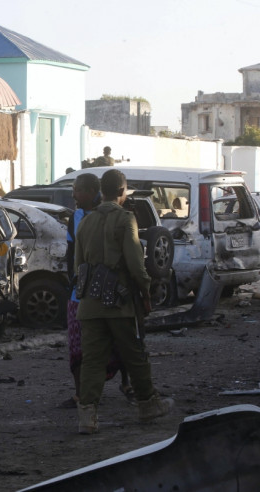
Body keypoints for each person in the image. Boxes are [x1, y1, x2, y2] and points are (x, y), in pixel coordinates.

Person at [74, 169, 173, 434]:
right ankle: (147, 404)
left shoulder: (85, 222)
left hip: (90, 304)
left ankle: (87, 416)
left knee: (92, 361)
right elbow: (136, 265)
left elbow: (78, 266)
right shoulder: (126, 219)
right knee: (135, 354)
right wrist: (146, 292)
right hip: (119, 304)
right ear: (121, 191)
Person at [60, 173, 134, 410]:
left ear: (94, 191)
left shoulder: (118, 217)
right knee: (81, 348)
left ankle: (126, 386)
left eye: (78, 190)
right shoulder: (76, 218)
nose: (74, 196)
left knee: (122, 342)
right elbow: (73, 256)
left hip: (110, 290)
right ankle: (82, 395)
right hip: (84, 293)